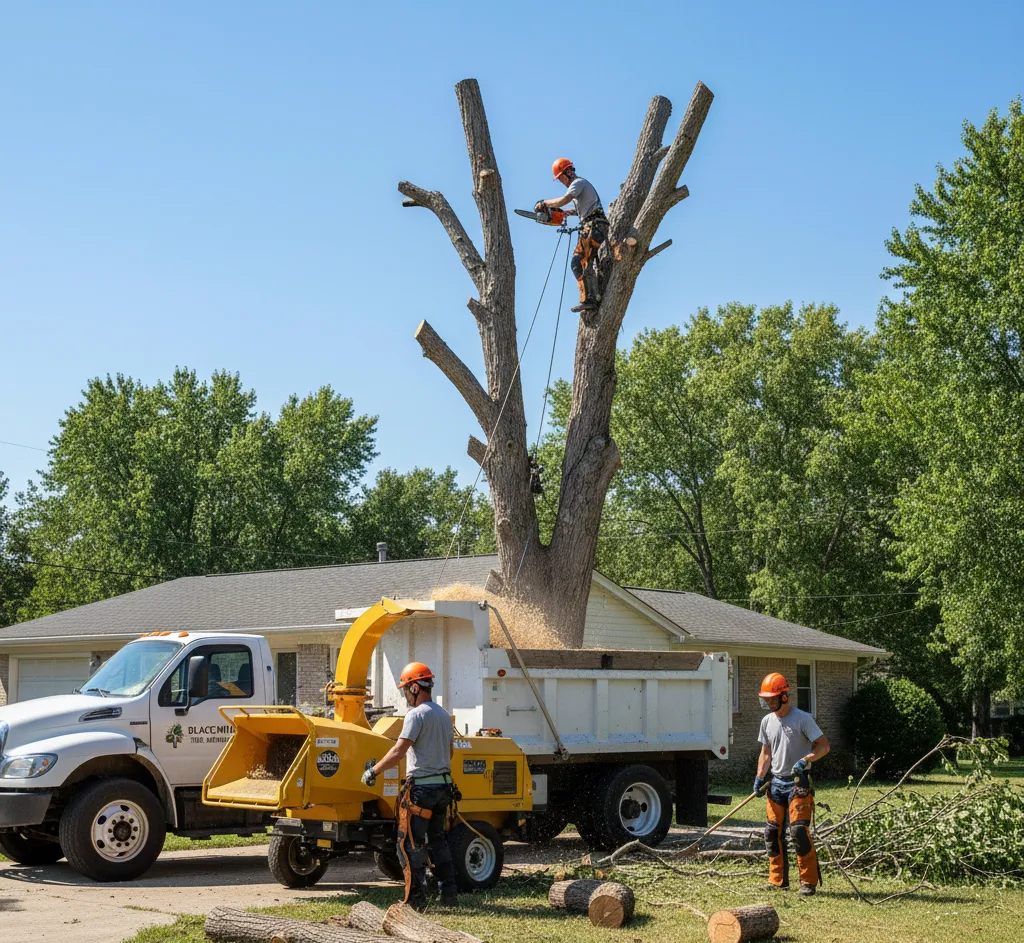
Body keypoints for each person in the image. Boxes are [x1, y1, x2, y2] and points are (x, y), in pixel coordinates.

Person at [361, 662, 458, 909]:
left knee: (408, 844)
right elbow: (450, 754)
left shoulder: (416, 715)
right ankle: (449, 896)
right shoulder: (444, 716)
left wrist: (373, 770)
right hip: (443, 788)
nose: (406, 695)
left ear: (415, 688)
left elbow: (398, 751)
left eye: (406, 689)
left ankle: (415, 901)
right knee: (437, 841)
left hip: (422, 791)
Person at [753, 672, 830, 896]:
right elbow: (765, 753)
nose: (767, 703)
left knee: (798, 831)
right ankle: (777, 880)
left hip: (798, 783)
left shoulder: (803, 719)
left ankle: (808, 882)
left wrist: (806, 760)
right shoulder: (767, 721)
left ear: (784, 697)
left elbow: (823, 746)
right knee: (771, 832)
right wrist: (760, 777)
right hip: (776, 784)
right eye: (765, 699)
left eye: (771, 699)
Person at [535, 158, 608, 313]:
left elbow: (564, 200)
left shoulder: (577, 183)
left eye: (561, 178)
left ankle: (589, 299)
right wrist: (570, 212)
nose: (562, 182)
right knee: (587, 263)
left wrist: (545, 203)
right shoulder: (581, 186)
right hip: (595, 226)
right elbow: (585, 207)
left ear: (567, 173)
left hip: (593, 227)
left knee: (577, 262)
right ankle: (595, 294)